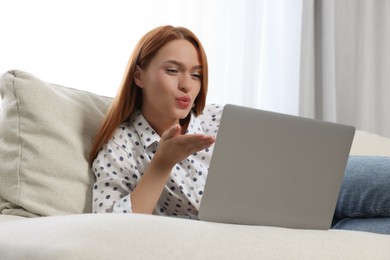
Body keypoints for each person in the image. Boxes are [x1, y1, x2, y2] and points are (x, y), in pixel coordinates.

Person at [90, 25, 390, 234]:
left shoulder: (219, 118)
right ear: (139, 76)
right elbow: (109, 228)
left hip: (310, 184)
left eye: (196, 75)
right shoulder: (120, 146)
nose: (187, 85)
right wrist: (162, 164)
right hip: (284, 225)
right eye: (172, 70)